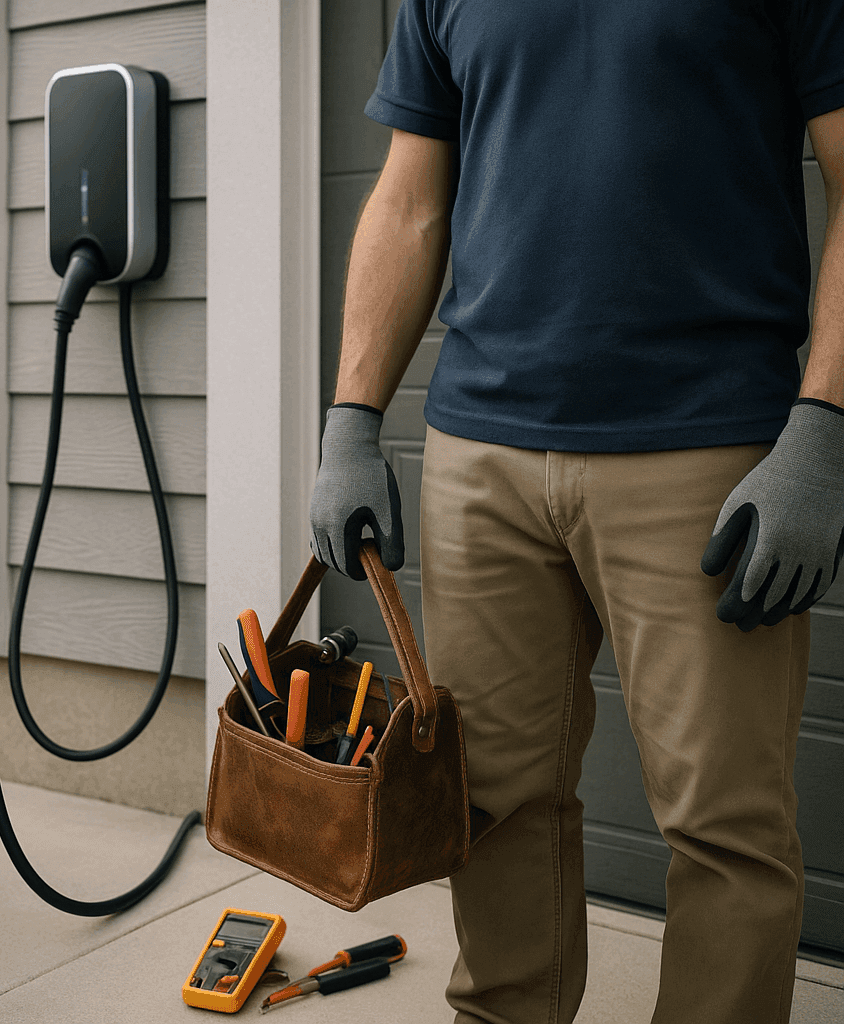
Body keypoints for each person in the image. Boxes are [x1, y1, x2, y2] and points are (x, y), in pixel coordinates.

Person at [308, 3, 844, 1022]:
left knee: (726, 827)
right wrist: (351, 419)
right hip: (480, 458)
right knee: (494, 801)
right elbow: (409, 201)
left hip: (707, 455)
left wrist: (821, 430)